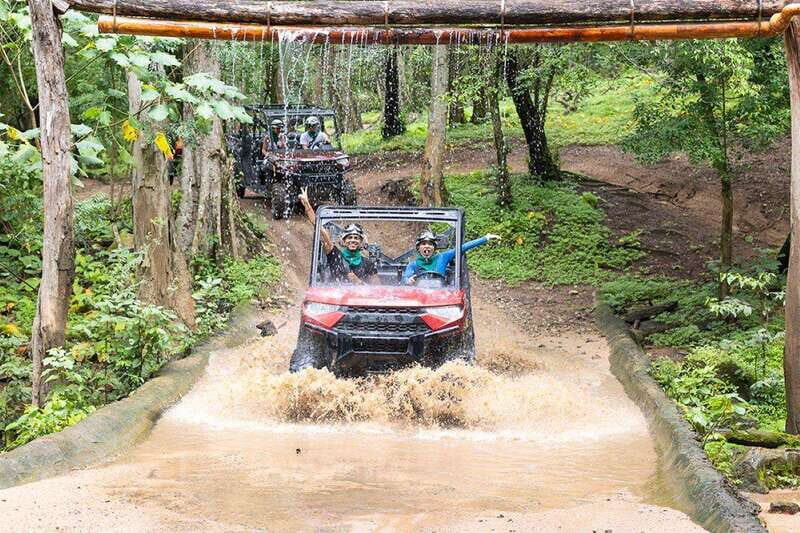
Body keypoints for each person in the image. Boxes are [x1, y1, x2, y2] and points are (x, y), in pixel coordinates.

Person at [298, 187, 377, 285]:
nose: (353, 240)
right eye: (349, 237)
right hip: (336, 293)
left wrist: (359, 283)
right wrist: (307, 205)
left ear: (361, 242)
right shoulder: (335, 255)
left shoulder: (368, 263)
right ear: (344, 241)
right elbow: (320, 229)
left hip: (359, 295)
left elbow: (377, 288)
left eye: (356, 238)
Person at [403, 230, 501, 285]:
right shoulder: (413, 265)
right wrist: (409, 280)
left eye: (430, 244)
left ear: (434, 247)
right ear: (418, 247)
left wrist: (486, 238)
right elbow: (405, 280)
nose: (427, 246)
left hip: (441, 295)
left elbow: (463, 247)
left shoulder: (443, 257)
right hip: (420, 296)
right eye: (424, 244)